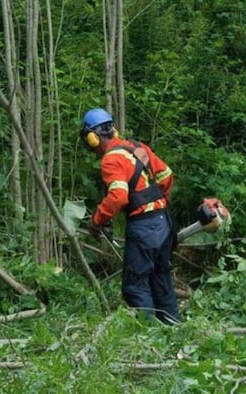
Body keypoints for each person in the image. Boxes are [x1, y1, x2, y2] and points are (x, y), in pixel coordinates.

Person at [80, 108, 179, 324]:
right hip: (164, 222)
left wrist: (97, 221)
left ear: (92, 138)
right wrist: (158, 202)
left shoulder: (111, 160)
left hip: (145, 227)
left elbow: (118, 196)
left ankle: (151, 337)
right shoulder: (138, 148)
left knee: (134, 285)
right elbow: (166, 175)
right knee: (160, 279)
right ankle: (174, 331)